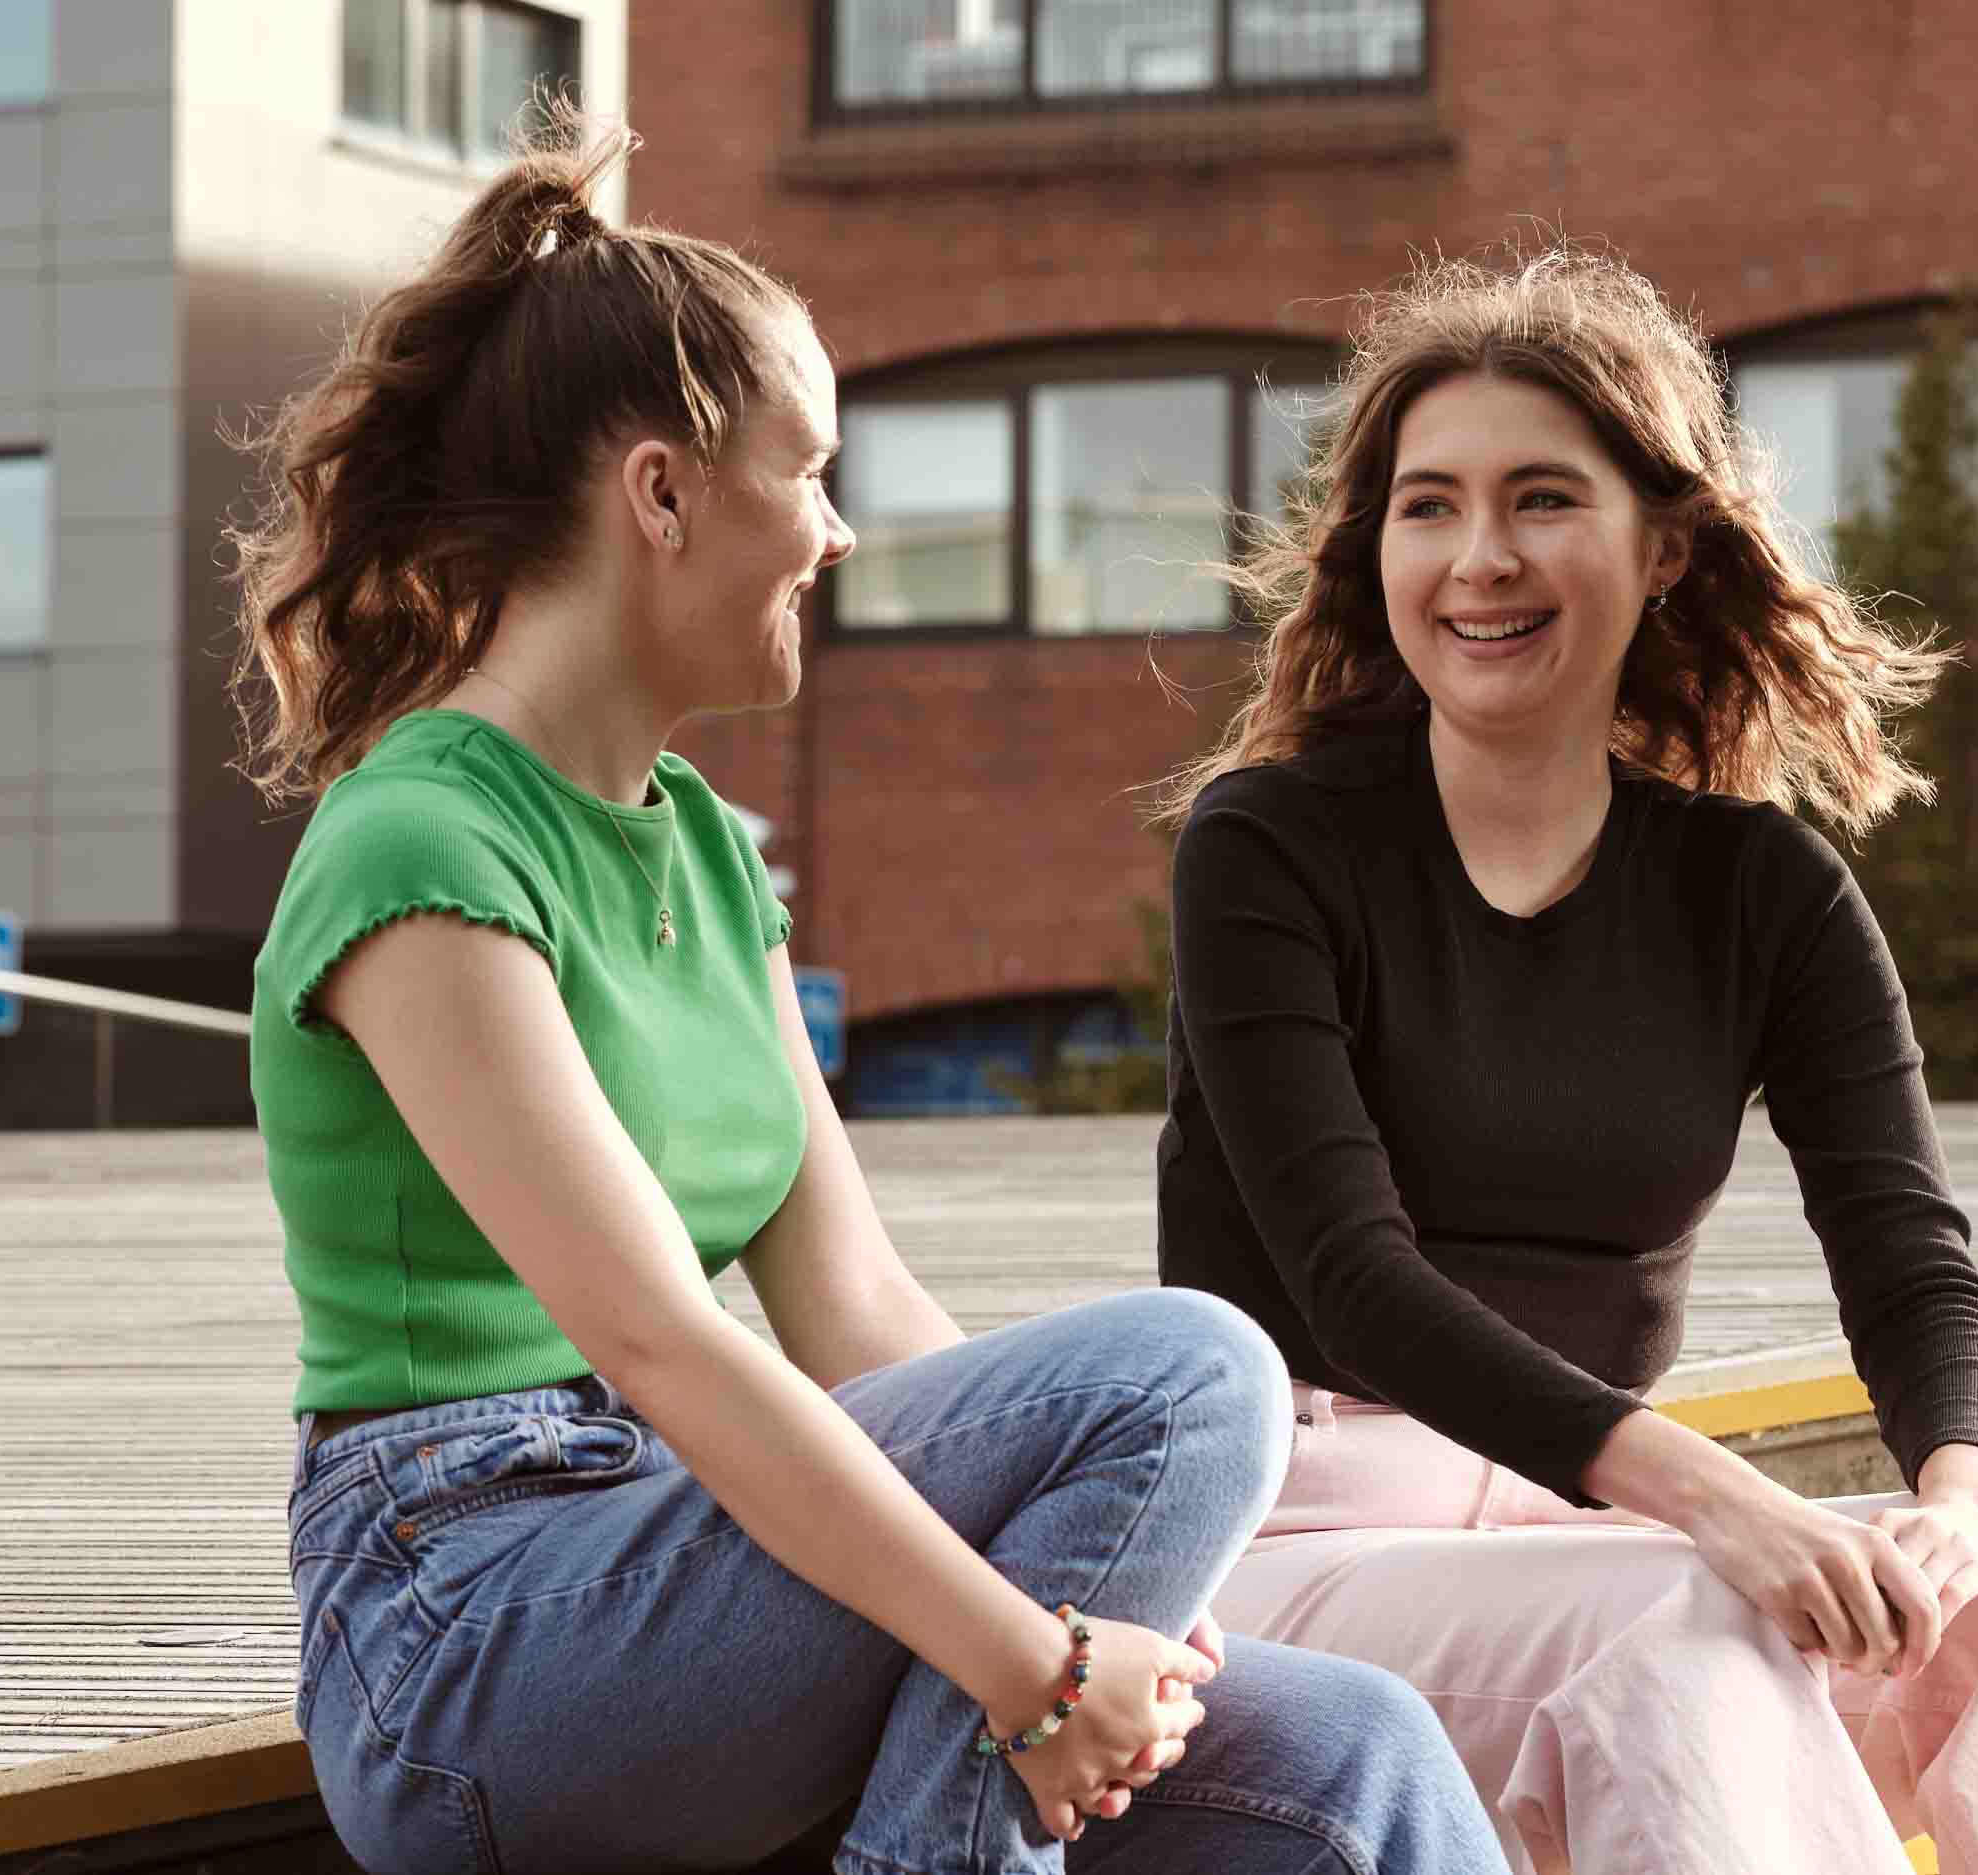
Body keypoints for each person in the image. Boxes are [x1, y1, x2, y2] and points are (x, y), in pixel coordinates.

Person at [242, 122, 1502, 1875]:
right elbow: (659, 1342)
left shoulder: (697, 852)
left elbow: (857, 1314)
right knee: (1194, 1365)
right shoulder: (418, 845)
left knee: (1353, 1755)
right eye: (811, 471)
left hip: (678, 1559)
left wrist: (1102, 1573)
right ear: (663, 494)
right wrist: (1034, 1657)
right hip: (470, 1635)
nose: (836, 534)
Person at [1150, 249, 1978, 1874]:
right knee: (1693, 1626)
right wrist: (1711, 1494)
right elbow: (1350, 1279)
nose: (1480, 560)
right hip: (1300, 1535)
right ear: (1376, 545)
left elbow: (1915, 1267)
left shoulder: (1762, 890)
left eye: (1543, 499)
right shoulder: (1270, 849)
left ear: (1664, 541)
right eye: (1429, 507)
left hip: (1584, 1527)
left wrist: (1962, 1497)